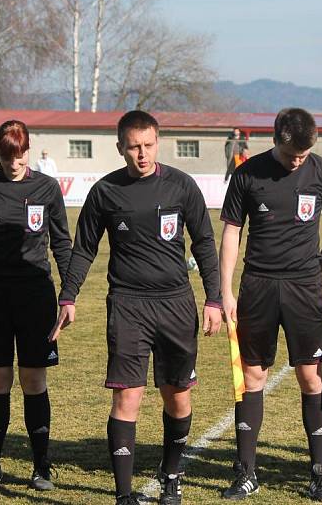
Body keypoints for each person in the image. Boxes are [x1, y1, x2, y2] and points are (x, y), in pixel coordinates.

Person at [65, 110, 222, 505]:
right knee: (127, 398)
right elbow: (84, 248)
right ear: (120, 148)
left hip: (176, 306)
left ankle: (171, 475)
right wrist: (68, 296)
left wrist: (214, 299)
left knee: (178, 396)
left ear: (158, 142)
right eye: (134, 146)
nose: (142, 154)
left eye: (149, 145)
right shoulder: (105, 192)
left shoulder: (182, 186)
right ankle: (123, 495)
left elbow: (204, 243)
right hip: (127, 306)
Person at [219, 108, 322, 501]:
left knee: (311, 376)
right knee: (252, 376)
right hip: (257, 286)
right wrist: (225, 290)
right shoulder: (248, 173)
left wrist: (318, 265)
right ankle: (246, 472)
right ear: (277, 138)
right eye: (294, 152)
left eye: (306, 153)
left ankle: (319, 474)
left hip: (303, 290)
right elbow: (231, 231)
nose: (299, 160)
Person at [0, 120, 73, 492]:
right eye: (7, 156)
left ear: (28, 150)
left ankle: (41, 466)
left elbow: (62, 245)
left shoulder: (46, 188)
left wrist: (68, 296)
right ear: (0, 153)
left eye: (19, 155)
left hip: (35, 296)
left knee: (34, 379)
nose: (14, 162)